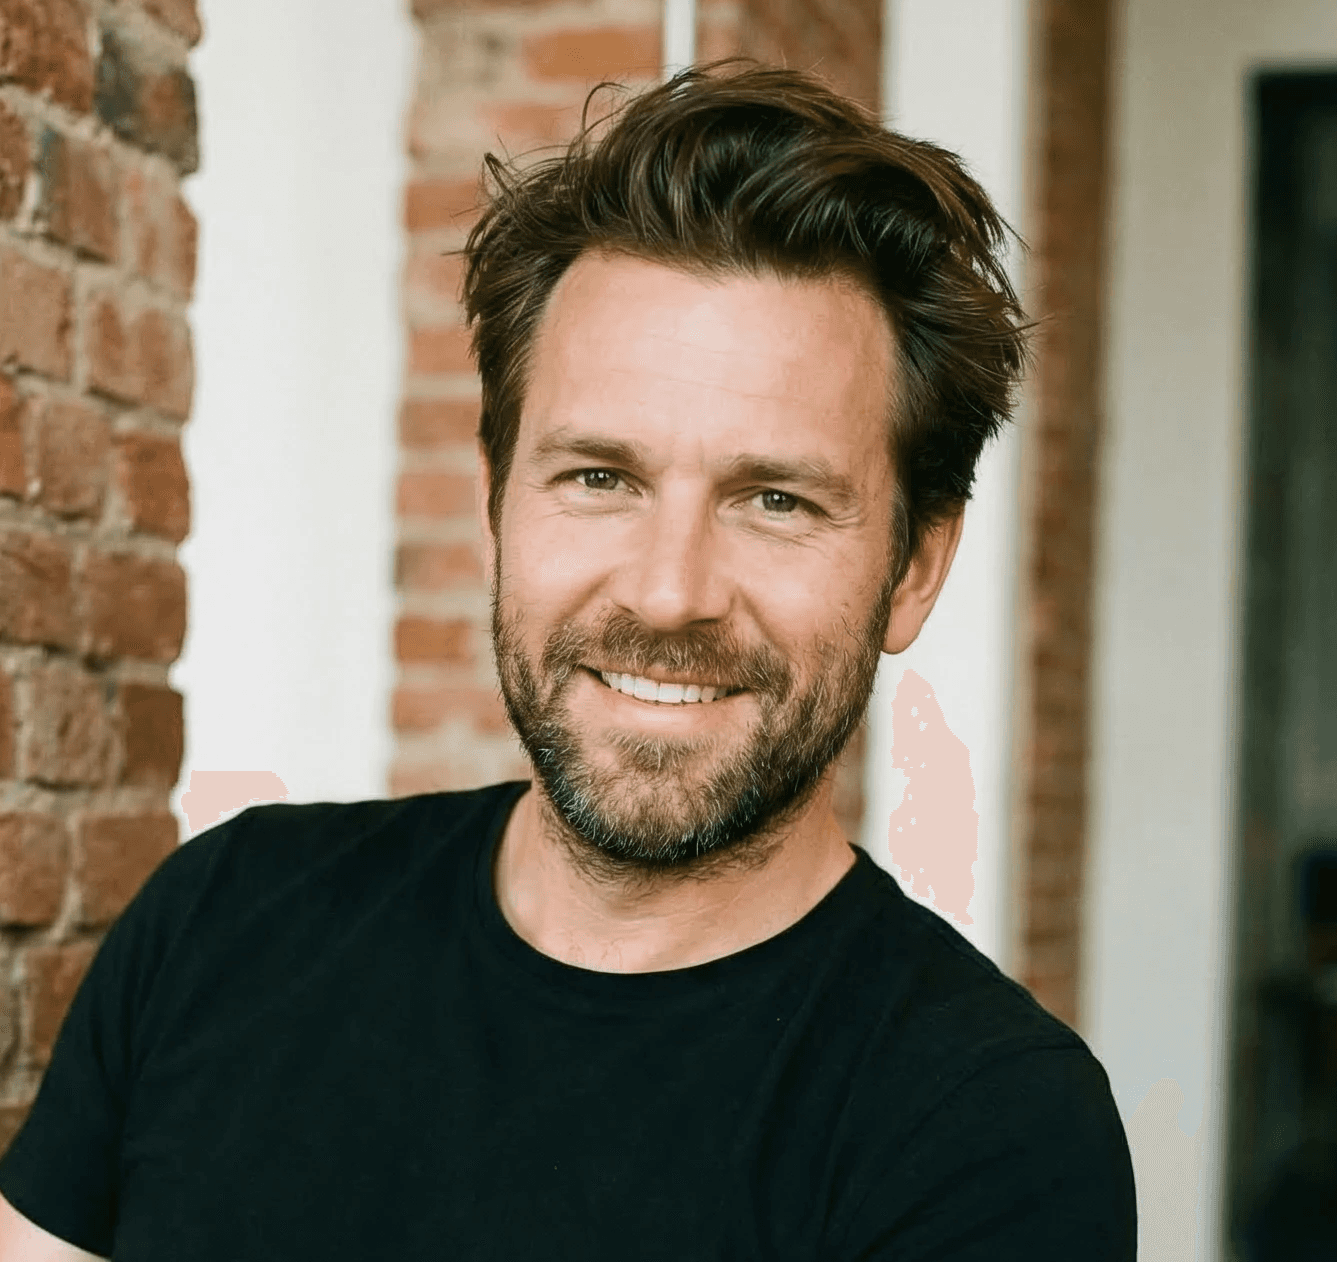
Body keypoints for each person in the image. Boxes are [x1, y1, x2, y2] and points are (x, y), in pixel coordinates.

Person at [0, 63, 1137, 1260]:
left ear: (913, 566)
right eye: (599, 477)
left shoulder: (984, 1129)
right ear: (495, 503)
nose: (668, 589)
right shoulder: (219, 924)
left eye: (775, 499)